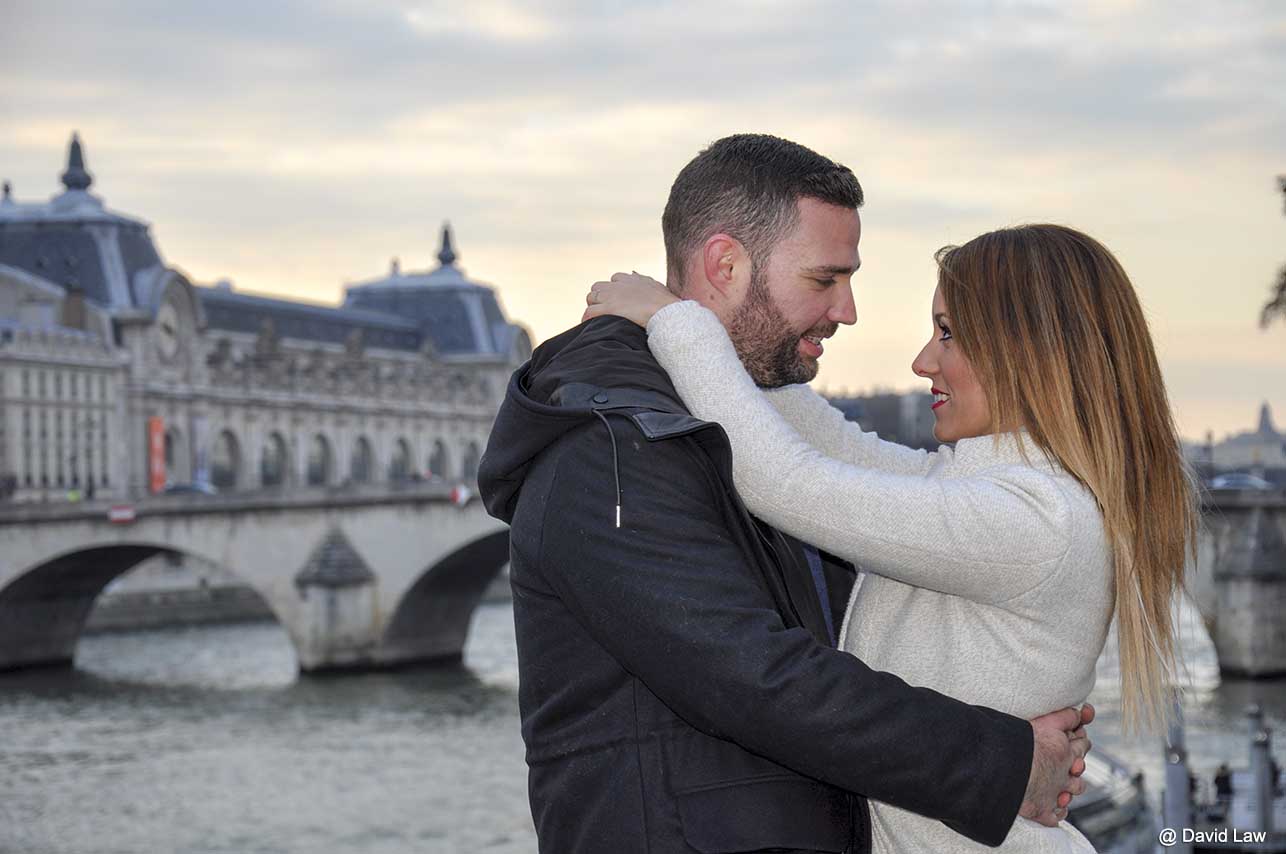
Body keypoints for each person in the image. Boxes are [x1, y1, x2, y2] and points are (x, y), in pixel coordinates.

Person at [479, 134, 1091, 854]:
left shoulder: (716, 425)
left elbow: (801, 461)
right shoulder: (613, 444)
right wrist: (1005, 763)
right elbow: (757, 679)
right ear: (726, 265)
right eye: (825, 279)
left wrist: (683, 329)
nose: (849, 311)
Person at [584, 222, 1197, 852]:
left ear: (1030, 350)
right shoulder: (994, 494)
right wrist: (725, 328)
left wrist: (679, 322)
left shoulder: (1036, 520)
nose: (923, 361)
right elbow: (829, 444)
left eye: (948, 333)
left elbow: (785, 481)